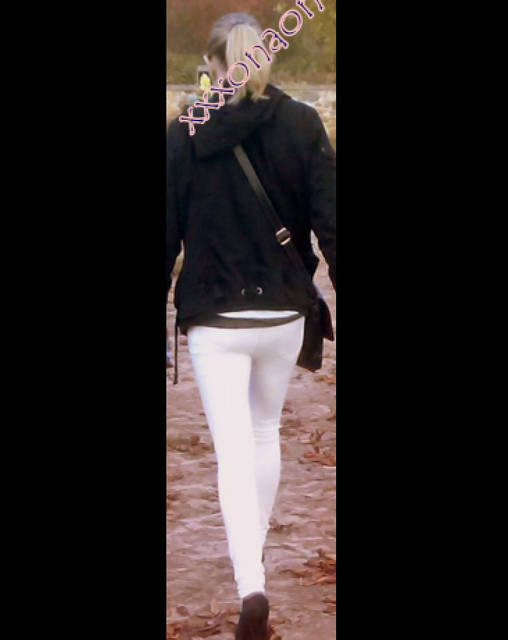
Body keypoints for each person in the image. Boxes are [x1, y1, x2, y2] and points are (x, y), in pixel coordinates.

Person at [167, 12, 336, 640]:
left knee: (233, 450)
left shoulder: (185, 129)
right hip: (284, 312)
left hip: (214, 315)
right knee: (264, 435)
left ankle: (251, 586)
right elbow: (331, 223)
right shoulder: (303, 123)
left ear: (213, 63)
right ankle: (253, 555)